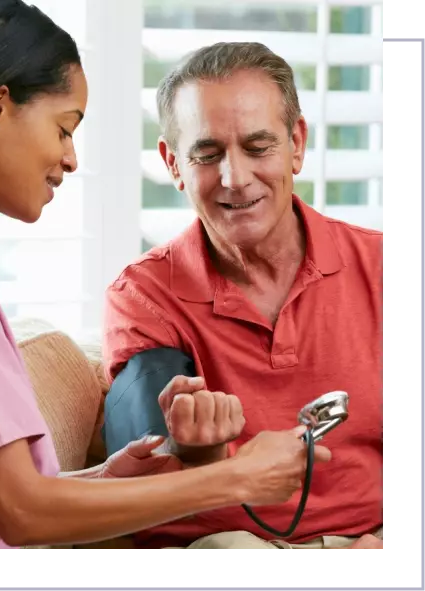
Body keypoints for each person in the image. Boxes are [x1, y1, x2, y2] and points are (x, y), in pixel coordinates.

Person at [0, 1, 331, 552]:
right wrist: (235, 477)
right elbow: (21, 513)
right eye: (65, 129)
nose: (70, 158)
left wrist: (101, 481)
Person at [102, 41, 384, 552]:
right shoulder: (142, 296)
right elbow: (146, 475)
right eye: (207, 155)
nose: (235, 178)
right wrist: (196, 447)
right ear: (172, 163)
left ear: (296, 143)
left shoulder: (384, 268)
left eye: (258, 147)